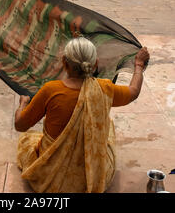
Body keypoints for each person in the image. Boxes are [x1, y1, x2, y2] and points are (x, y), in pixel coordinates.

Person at [16, 37, 150, 193]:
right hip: (91, 177)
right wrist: (139, 66)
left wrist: (22, 104)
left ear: (64, 63)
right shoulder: (104, 89)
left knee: (27, 139)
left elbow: (20, 125)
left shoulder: (51, 90)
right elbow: (133, 92)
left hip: (49, 176)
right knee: (109, 126)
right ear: (95, 64)